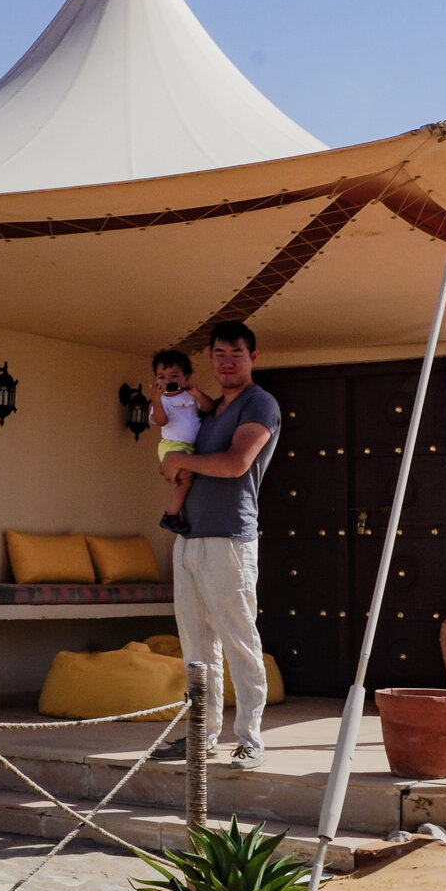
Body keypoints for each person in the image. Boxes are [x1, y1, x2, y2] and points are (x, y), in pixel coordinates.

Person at [149, 320, 280, 770]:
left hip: (229, 539)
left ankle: (249, 739)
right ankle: (201, 736)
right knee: (196, 645)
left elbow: (236, 463)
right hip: (189, 538)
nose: (227, 361)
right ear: (209, 358)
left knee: (240, 640)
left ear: (253, 358)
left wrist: (182, 461)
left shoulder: (259, 404)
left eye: (236, 353)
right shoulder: (210, 409)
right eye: (219, 353)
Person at [146, 348, 211, 535]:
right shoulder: (162, 401)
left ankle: (173, 514)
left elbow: (209, 407)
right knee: (185, 481)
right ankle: (171, 516)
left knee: (190, 479)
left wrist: (197, 393)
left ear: (186, 378)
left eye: (174, 376)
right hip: (172, 447)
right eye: (161, 377)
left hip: (189, 447)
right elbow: (161, 421)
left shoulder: (190, 397)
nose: (167, 381)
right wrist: (156, 400)